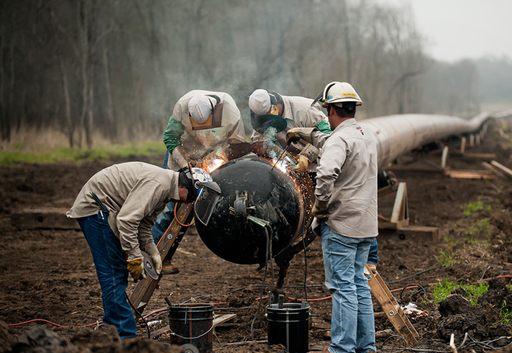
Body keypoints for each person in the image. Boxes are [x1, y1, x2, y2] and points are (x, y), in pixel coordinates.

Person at [67, 162, 211, 339]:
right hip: (96, 208)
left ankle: (112, 329)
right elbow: (127, 221)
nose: (188, 202)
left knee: (116, 275)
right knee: (113, 274)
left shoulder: (166, 190)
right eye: (191, 197)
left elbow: (144, 225)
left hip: (107, 209)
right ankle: (126, 337)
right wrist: (135, 258)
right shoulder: (158, 185)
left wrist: (153, 251)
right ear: (185, 187)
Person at [289, 82, 378, 353]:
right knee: (358, 285)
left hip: (342, 224)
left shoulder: (340, 140)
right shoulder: (366, 134)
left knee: (342, 287)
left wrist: (321, 206)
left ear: (330, 110)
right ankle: (366, 348)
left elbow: (326, 174)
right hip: (366, 224)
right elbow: (331, 148)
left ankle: (341, 350)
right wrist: (307, 135)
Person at [153, 90, 245, 243]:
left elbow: (236, 145)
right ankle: (153, 249)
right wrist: (185, 166)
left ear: (213, 112)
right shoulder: (182, 105)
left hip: (213, 158)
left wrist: (215, 159)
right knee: (171, 208)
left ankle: (166, 254)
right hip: (182, 156)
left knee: (188, 210)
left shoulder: (230, 111)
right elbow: (170, 137)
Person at [248, 89, 332, 167]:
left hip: (321, 166)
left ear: (275, 108)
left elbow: (330, 140)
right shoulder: (261, 121)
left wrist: (308, 155)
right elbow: (258, 144)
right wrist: (274, 152)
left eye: (267, 118)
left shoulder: (305, 109)